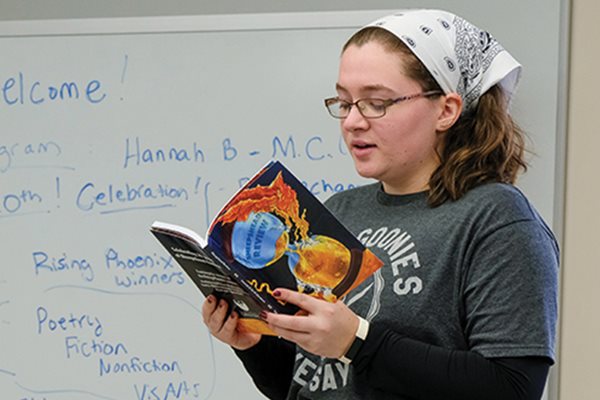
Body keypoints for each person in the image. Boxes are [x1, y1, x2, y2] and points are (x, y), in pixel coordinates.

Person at [202, 9, 558, 400]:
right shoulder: (340, 211)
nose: (352, 121)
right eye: (344, 103)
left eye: (375, 103)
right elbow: (314, 381)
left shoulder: (497, 219)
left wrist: (356, 341)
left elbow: (512, 387)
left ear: (446, 110)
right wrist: (253, 344)